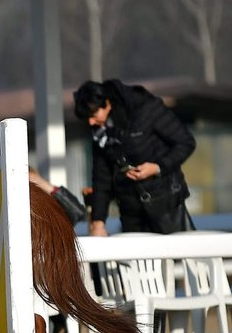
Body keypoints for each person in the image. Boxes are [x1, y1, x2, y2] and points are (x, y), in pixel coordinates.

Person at [73, 79, 197, 236]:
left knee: (178, 256)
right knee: (137, 260)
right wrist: (98, 222)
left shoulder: (147, 109)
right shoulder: (99, 133)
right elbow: (101, 178)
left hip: (166, 203)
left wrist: (157, 167)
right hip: (130, 210)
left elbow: (186, 142)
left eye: (93, 114)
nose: (91, 122)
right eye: (87, 118)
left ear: (108, 103)